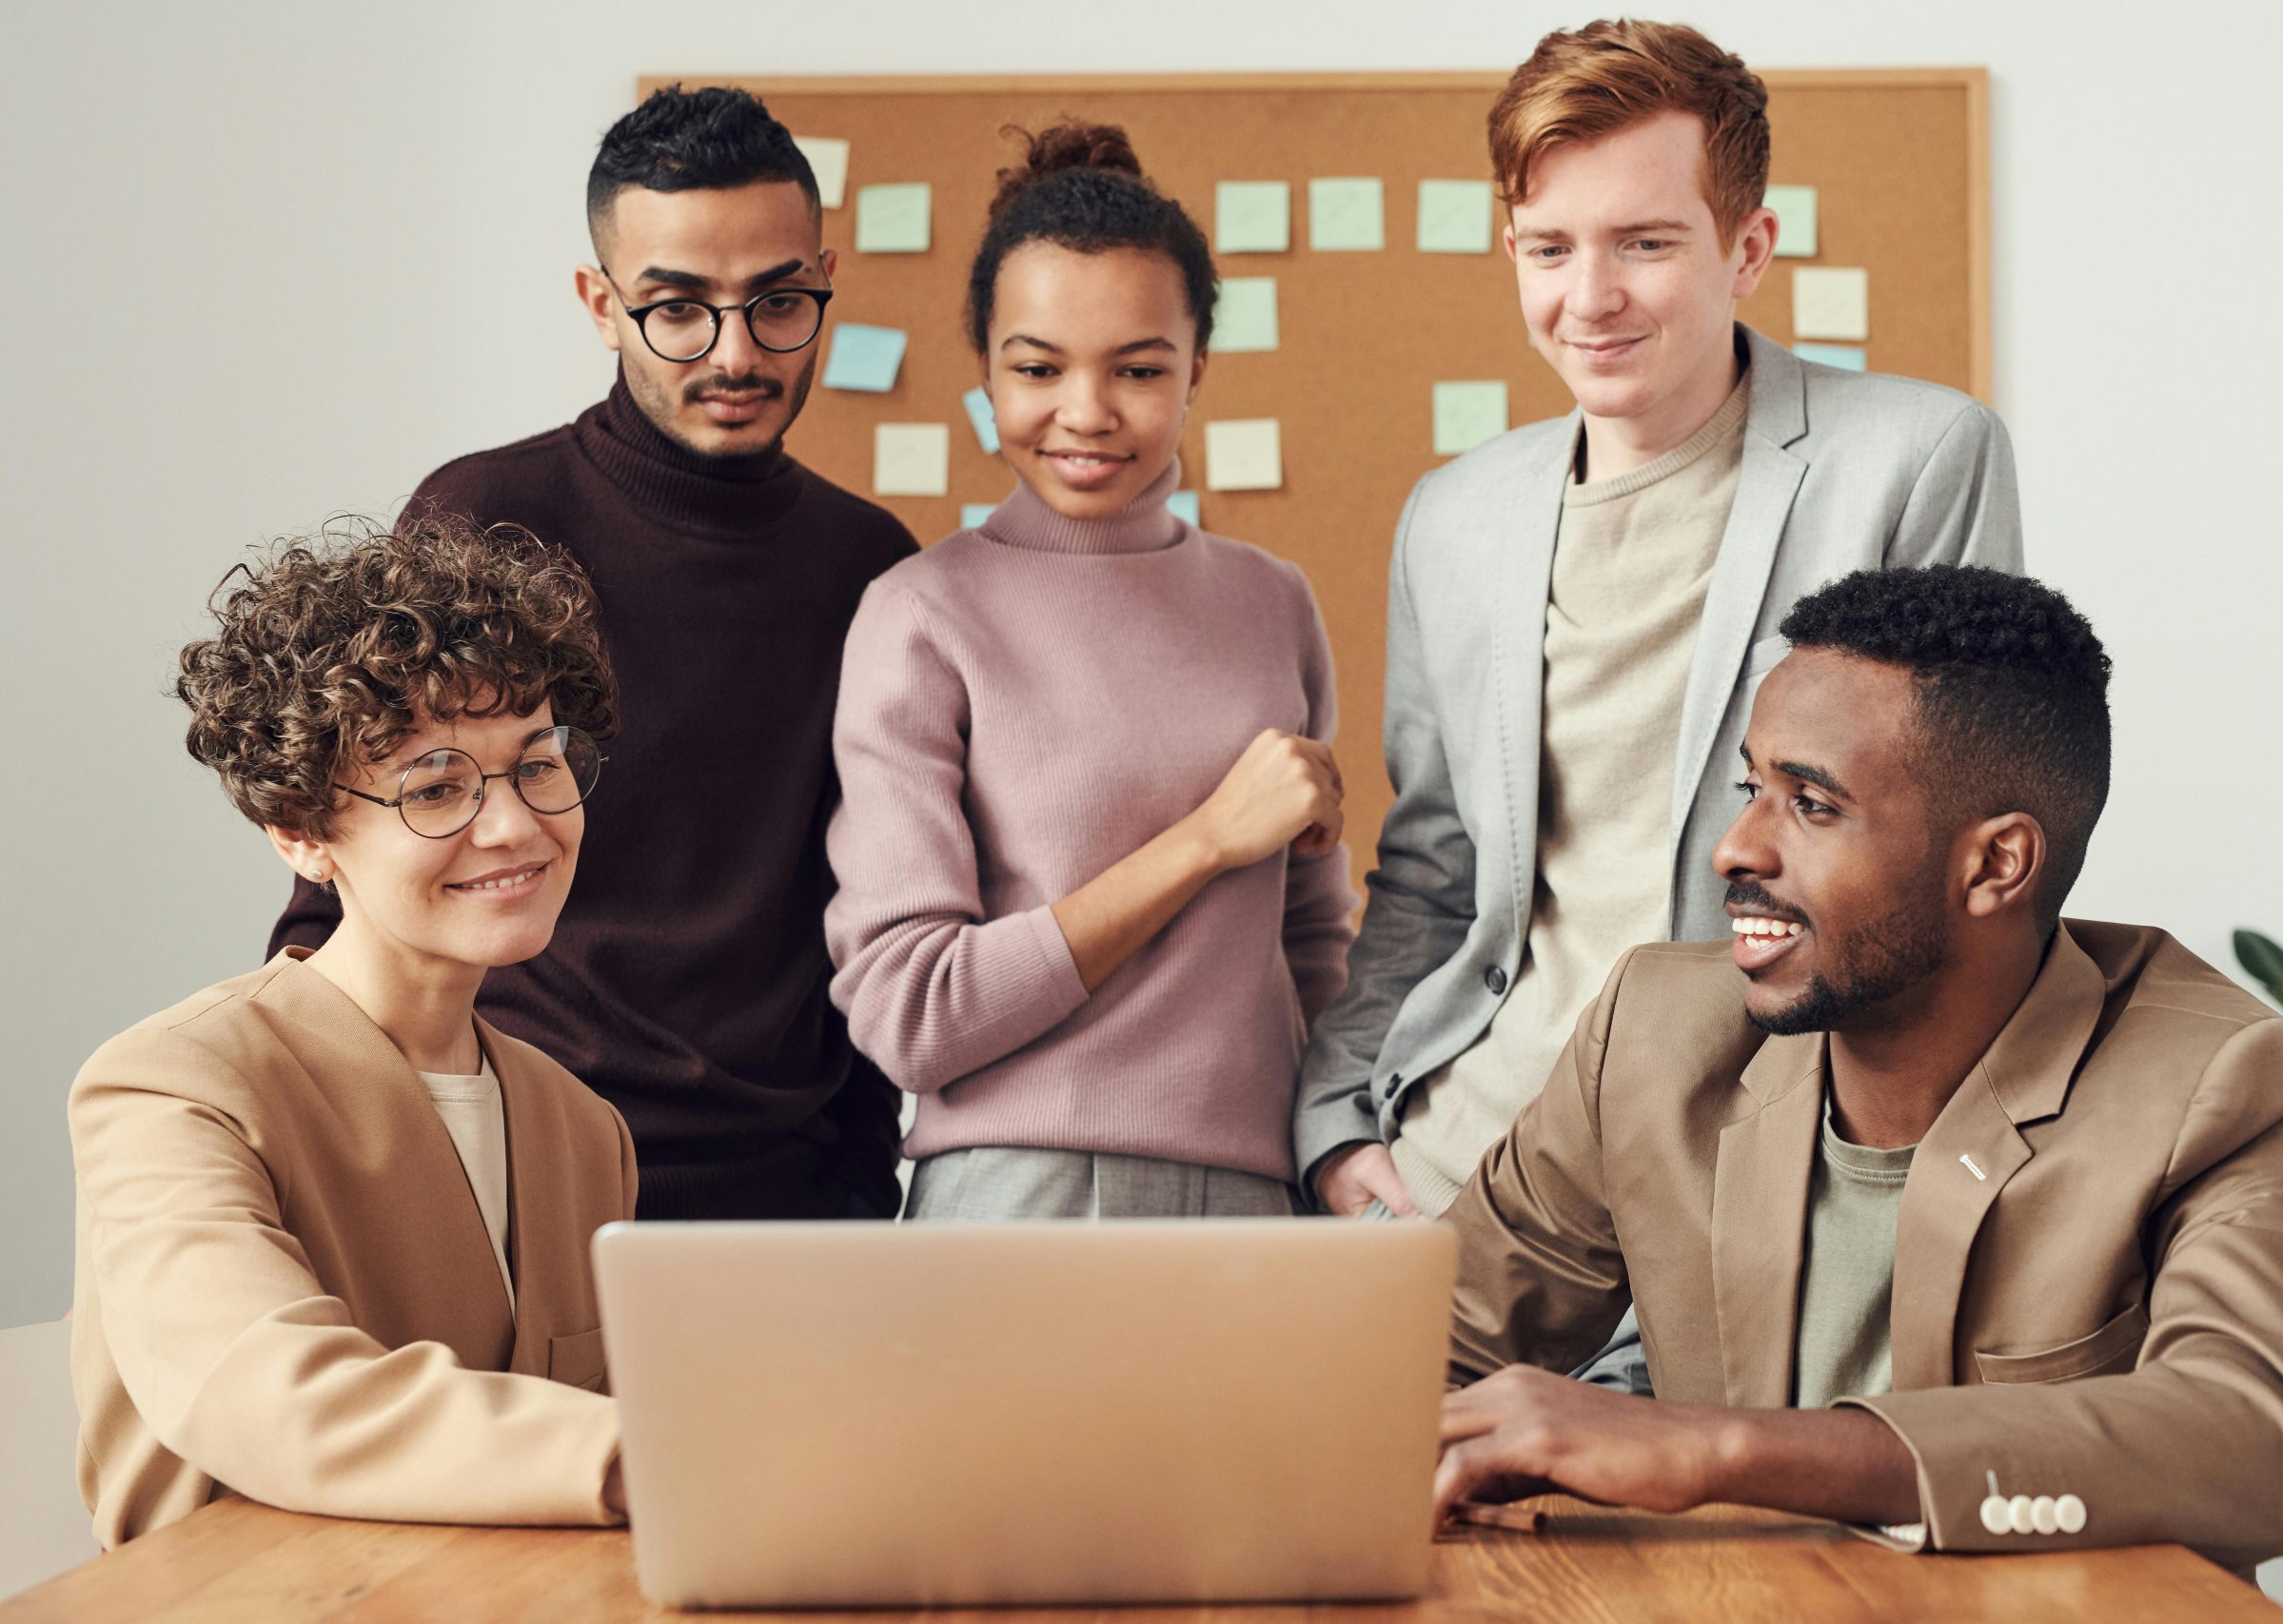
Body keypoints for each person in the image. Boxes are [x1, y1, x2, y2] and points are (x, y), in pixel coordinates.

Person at [1431, 564, 2283, 1574]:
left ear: (1995, 864)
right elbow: (1426, 1354)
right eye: (1753, 787)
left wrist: (1716, 1448)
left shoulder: (2223, 1082)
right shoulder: (1652, 1032)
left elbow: (2250, 1442)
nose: (1735, 847)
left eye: (1811, 805)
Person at [1295, 19, 2025, 1241]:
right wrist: (1335, 1124)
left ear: (1747, 248)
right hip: (1453, 1174)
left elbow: (1953, 857)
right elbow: (1431, 870)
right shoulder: (1453, 519)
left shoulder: (1914, 458)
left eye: (1644, 242)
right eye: (1549, 247)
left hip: (1751, 1173)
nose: (1590, 297)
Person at [269, 85, 915, 1222]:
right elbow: (356, 856)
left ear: (824, 281)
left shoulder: (871, 565)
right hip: (511, 1169)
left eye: (776, 303)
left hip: (785, 1198)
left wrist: (860, 1191)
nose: (734, 353)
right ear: (601, 303)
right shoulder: (488, 514)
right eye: (678, 308)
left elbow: (868, 910)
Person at [823, 123, 1355, 1220]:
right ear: (984, 365)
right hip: (1016, 1196)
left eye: (1139, 369)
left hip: (1266, 1203)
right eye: (1036, 368)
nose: (1085, 413)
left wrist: (1343, 1154)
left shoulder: (1273, 602)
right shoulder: (923, 614)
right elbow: (911, 1014)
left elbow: (1311, 949)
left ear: (1198, 367)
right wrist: (1206, 841)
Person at [72, 519, 634, 1547]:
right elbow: (269, 1393)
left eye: (538, 765)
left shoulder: (583, 1128)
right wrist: (637, 1451)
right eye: (435, 787)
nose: (512, 825)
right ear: (298, 831)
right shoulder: (172, 1087)